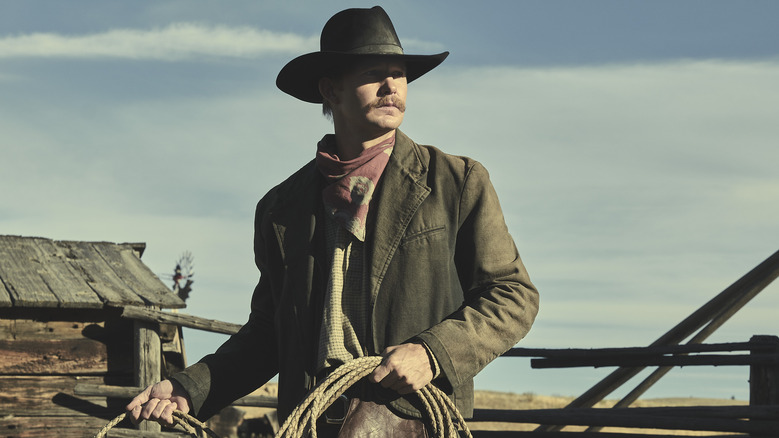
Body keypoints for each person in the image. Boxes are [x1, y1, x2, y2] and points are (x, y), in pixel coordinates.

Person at [127, 6, 539, 436]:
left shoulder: (455, 183)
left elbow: (513, 296)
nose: (391, 86)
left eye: (398, 73)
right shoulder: (281, 209)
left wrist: (432, 353)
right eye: (373, 72)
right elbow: (269, 335)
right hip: (314, 421)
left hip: (413, 423)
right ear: (331, 89)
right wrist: (187, 388)